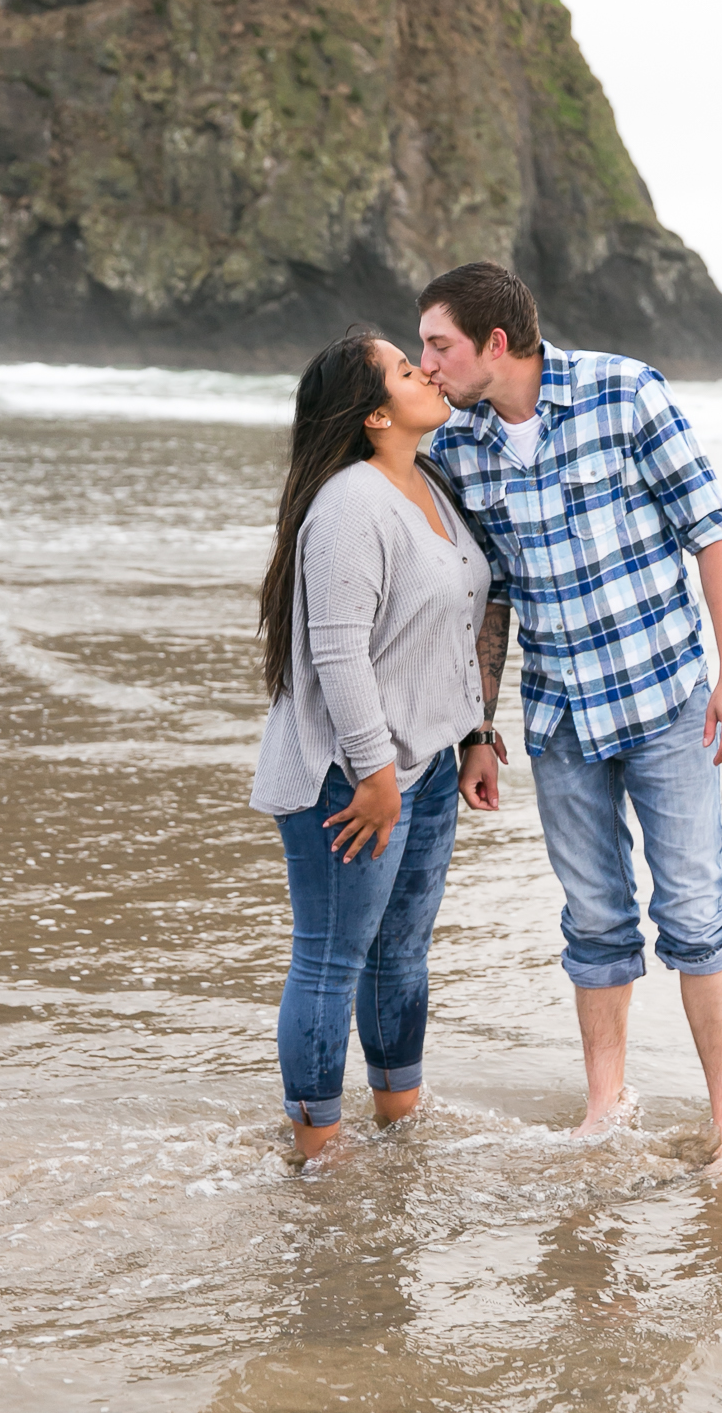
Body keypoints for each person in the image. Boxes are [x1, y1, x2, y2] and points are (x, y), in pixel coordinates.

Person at [419, 262, 722, 1172]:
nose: (427, 366)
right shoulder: (457, 448)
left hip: (666, 703)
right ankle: (604, 1106)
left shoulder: (623, 392)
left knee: (693, 913)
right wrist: (477, 729)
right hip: (562, 719)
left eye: (438, 345)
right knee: (595, 919)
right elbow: (488, 601)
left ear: (495, 343)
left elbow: (712, 531)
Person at [252, 331, 493, 1159]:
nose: (425, 369)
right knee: (330, 959)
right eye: (404, 367)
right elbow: (337, 651)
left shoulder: (423, 483)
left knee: (400, 956)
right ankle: (315, 1146)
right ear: (376, 414)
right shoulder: (352, 503)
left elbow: (450, 627)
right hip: (348, 776)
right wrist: (375, 773)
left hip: (422, 765)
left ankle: (400, 1124)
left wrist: (474, 735)